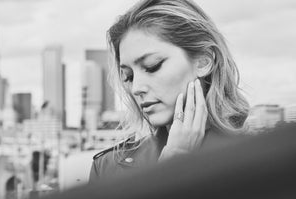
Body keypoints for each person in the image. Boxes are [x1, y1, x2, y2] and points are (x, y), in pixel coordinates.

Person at [89, 0, 249, 182]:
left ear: (204, 62)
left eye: (152, 66)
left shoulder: (258, 160)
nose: (136, 88)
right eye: (129, 76)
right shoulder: (107, 168)